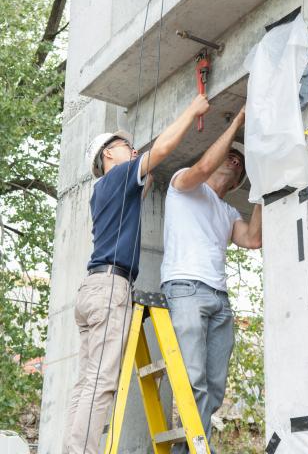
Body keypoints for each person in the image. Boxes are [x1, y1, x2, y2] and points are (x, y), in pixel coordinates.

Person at [62, 94, 210, 454]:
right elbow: (157, 154)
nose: (132, 149)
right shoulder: (119, 176)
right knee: (101, 384)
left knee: (87, 383)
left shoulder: (105, 191)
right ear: (108, 155)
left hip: (93, 289)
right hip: (110, 287)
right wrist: (191, 109)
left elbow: (142, 186)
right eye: (125, 145)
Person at [160, 106, 262, 453]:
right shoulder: (184, 183)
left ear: (237, 183)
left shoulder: (230, 211)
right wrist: (236, 123)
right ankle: (196, 449)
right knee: (193, 380)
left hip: (219, 299)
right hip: (185, 288)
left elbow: (253, 239)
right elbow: (204, 167)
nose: (235, 159)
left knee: (215, 387)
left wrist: (261, 186)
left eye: (240, 163)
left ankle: (186, 449)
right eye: (231, 154)